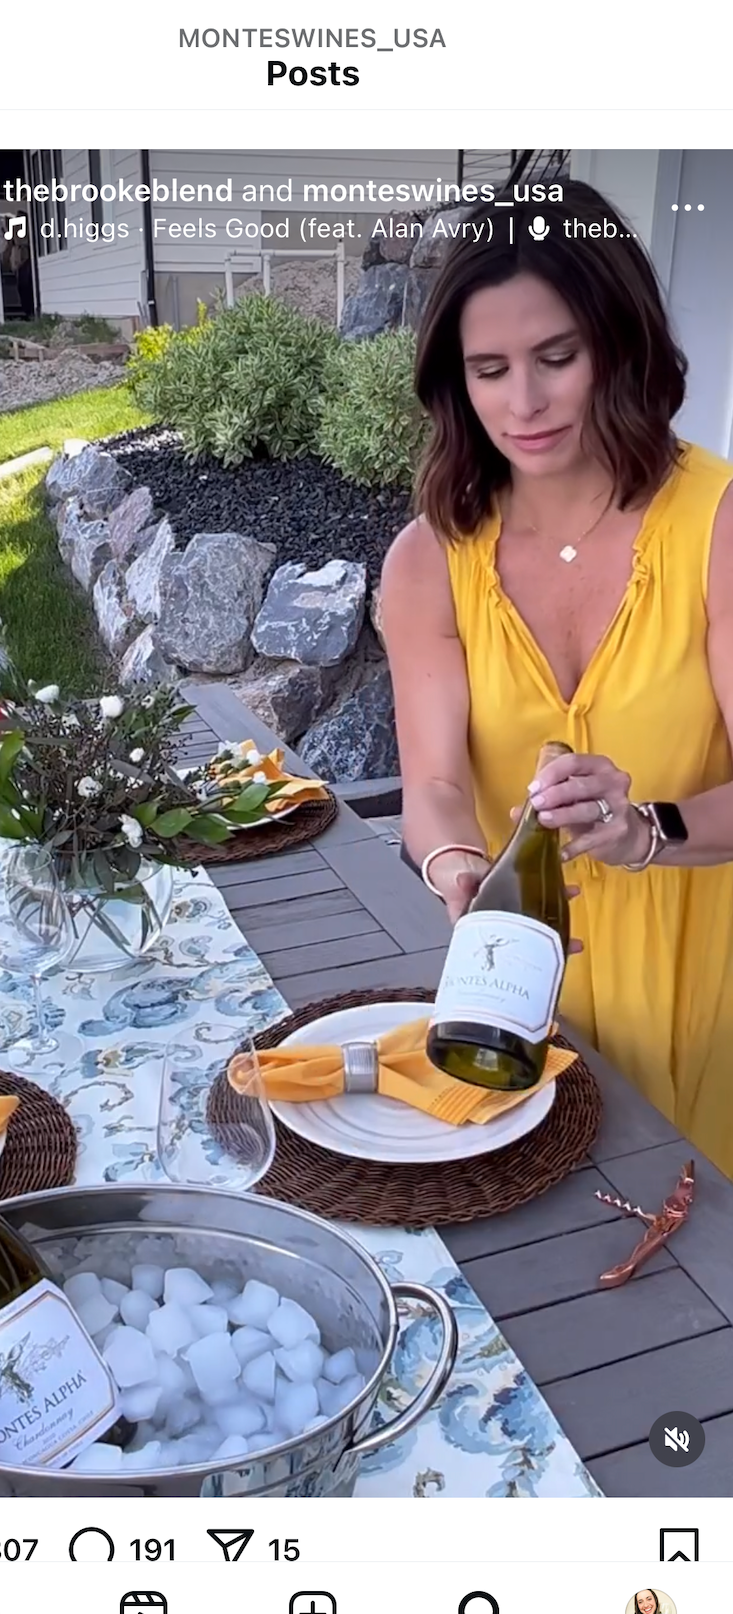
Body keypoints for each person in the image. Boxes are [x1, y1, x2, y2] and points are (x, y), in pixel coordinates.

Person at [381, 179, 733, 1178]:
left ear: (619, 346)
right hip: (515, 1000)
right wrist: (456, 868)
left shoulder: (716, 528)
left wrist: (645, 829)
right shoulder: (428, 559)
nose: (522, 404)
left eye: (556, 358)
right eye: (489, 370)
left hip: (704, 992)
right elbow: (433, 784)